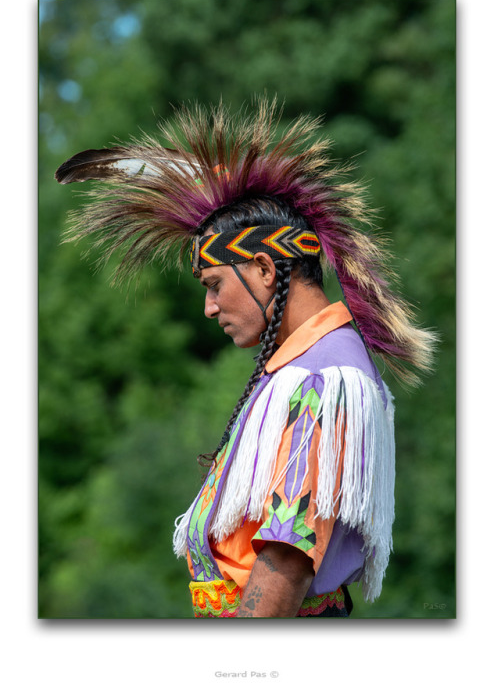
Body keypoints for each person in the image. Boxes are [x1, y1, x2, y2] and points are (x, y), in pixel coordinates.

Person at [55, 98, 436, 618]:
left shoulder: (322, 380)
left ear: (262, 268)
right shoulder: (303, 368)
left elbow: (287, 557)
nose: (209, 308)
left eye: (213, 285)